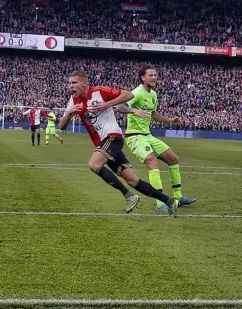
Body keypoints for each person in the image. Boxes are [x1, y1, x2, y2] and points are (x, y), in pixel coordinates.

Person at [60, 70, 178, 216]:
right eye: (70, 83)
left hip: (113, 137)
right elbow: (61, 126)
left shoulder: (100, 91)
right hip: (103, 143)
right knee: (132, 180)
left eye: (74, 83)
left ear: (84, 83)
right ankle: (170, 201)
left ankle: (129, 196)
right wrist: (70, 113)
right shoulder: (73, 100)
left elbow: (129, 94)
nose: (71, 86)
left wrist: (106, 104)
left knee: (94, 164)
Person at [118, 66, 196, 213]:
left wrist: (170, 121)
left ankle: (178, 197)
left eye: (155, 75)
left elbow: (153, 114)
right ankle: (161, 203)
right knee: (152, 162)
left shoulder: (153, 94)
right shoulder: (136, 92)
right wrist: (134, 110)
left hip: (147, 135)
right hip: (134, 136)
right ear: (143, 77)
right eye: (150, 75)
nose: (154, 77)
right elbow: (120, 107)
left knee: (173, 159)